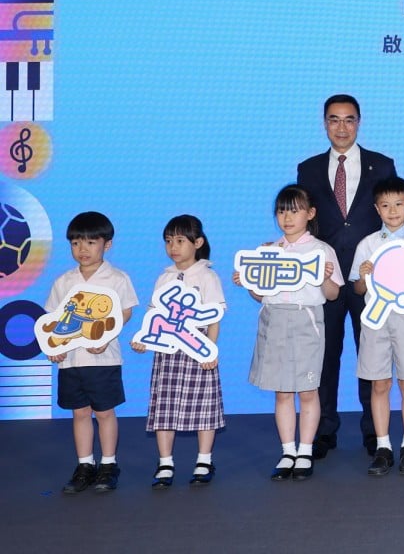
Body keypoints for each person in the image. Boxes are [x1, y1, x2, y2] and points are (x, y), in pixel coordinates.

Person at [298, 94, 397, 459]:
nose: (342, 127)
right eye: (334, 120)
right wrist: (282, 247)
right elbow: (300, 217)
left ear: (359, 122)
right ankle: (323, 430)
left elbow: (393, 212)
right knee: (324, 357)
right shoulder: (307, 169)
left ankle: (375, 430)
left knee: (372, 356)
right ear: (324, 123)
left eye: (349, 120)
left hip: (369, 280)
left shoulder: (382, 165)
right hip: (324, 279)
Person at [238, 185, 343, 482]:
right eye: (282, 210)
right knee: (282, 391)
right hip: (273, 321)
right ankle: (287, 451)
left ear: (310, 214)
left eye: (295, 210)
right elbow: (261, 296)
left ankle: (306, 450)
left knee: (308, 390)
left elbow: (334, 294)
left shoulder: (321, 250)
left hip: (305, 320)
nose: (287, 217)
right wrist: (248, 282)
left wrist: (323, 279)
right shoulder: (269, 250)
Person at [46, 211, 139, 494]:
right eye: (75, 243)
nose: (82, 249)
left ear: (106, 244)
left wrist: (106, 337)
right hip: (71, 361)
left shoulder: (117, 278)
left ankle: (109, 464)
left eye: (90, 242)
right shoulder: (64, 281)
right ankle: (85, 464)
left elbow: (125, 312)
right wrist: (54, 347)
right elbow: (52, 319)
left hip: (103, 357)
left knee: (105, 412)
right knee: (80, 413)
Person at [131, 215, 226, 488]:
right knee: (164, 406)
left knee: (204, 406)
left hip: (197, 349)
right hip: (168, 351)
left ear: (197, 242)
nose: (173, 246)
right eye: (168, 241)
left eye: (180, 240)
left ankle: (204, 460)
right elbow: (153, 314)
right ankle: (165, 462)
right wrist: (143, 339)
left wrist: (210, 350)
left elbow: (214, 318)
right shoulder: (165, 277)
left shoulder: (207, 275)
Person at [351, 177, 404, 477]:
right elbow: (360, 290)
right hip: (375, 322)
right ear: (377, 209)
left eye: (399, 204)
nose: (393, 211)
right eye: (385, 205)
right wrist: (363, 276)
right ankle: (383, 446)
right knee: (379, 383)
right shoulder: (368, 244)